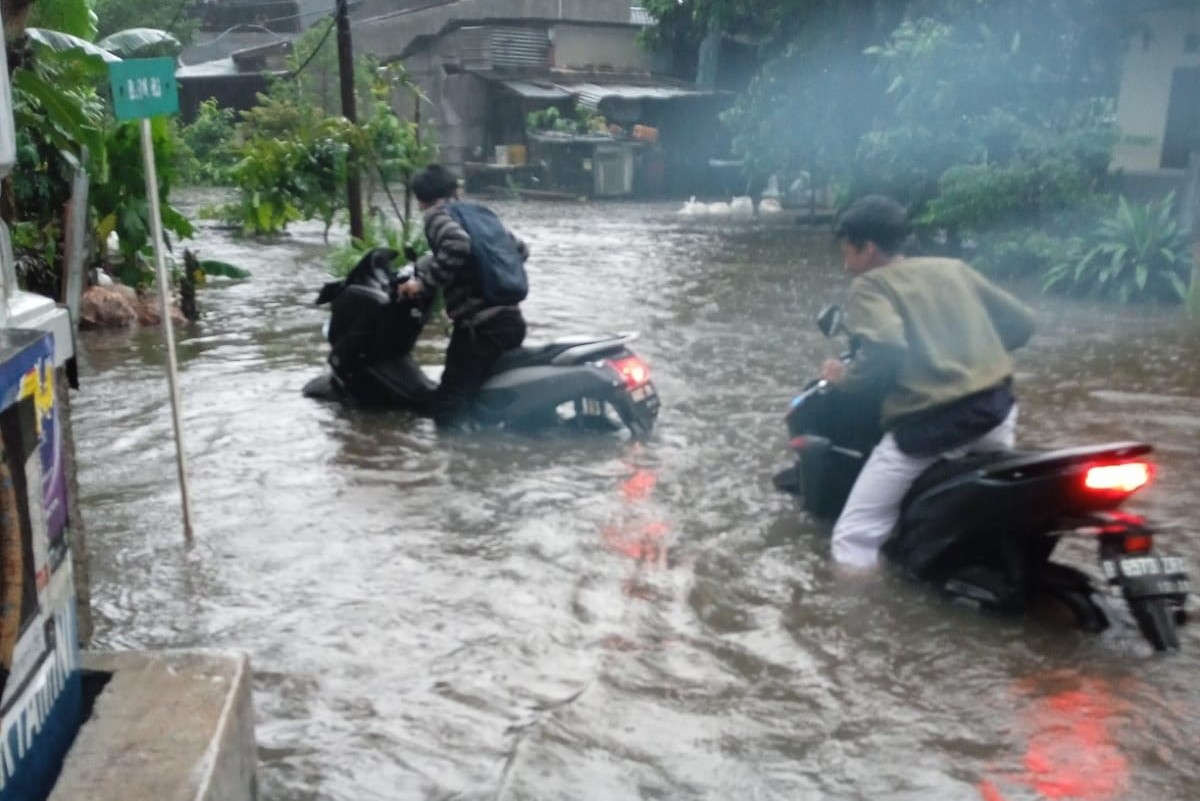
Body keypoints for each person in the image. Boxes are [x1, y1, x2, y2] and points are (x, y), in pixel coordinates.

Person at [820, 195, 1036, 568]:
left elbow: (886, 344)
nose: (846, 265)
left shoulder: (871, 284)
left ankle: (860, 619)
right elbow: (1022, 323)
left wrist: (846, 380)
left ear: (868, 249)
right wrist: (983, 352)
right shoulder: (953, 268)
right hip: (997, 415)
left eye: (847, 252)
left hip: (933, 430)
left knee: (854, 534)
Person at [398, 164, 528, 429]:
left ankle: (459, 464)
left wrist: (423, 283)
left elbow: (457, 244)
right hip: (510, 322)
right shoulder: (478, 214)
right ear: (455, 190)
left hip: (480, 330)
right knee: (480, 397)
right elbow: (520, 250)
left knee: (449, 406)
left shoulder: (437, 216)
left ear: (421, 199)